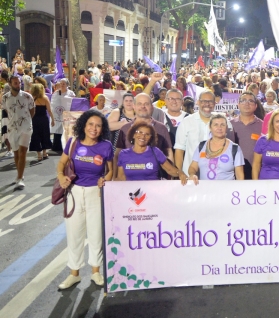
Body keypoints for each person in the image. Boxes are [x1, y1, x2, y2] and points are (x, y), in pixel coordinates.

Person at [56, 110, 113, 289]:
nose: (94, 129)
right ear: (84, 125)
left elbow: (111, 171)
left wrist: (106, 179)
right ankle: (75, 274)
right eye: (90, 124)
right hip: (74, 192)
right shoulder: (73, 142)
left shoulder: (106, 146)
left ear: (102, 128)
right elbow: (61, 164)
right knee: (75, 234)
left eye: (98, 125)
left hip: (95, 193)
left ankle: (96, 272)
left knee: (96, 234)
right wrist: (60, 177)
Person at [175, 91, 233, 176]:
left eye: (210, 101)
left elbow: (231, 149)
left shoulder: (225, 122)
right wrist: (179, 174)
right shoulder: (186, 122)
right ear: (198, 102)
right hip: (191, 177)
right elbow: (179, 150)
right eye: (203, 101)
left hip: (218, 177)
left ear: (215, 103)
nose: (207, 104)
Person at [114, 93, 173, 170]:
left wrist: (171, 177)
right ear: (134, 106)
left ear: (152, 107)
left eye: (146, 104)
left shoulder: (162, 128)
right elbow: (118, 155)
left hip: (155, 179)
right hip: (129, 178)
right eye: (139, 104)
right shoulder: (125, 128)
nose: (143, 106)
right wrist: (115, 177)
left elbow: (169, 152)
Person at [114, 120, 187, 182]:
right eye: (140, 132)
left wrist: (179, 173)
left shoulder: (155, 151)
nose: (143, 136)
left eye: (147, 134)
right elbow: (121, 177)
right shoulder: (123, 154)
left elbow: (170, 170)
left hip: (153, 194)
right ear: (133, 135)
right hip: (131, 195)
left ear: (150, 138)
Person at [188, 114, 244, 181]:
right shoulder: (202, 146)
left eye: (222, 125)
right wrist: (192, 175)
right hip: (204, 190)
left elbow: (240, 176)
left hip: (226, 190)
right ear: (210, 127)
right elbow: (193, 167)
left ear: (226, 127)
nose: (219, 128)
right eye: (216, 125)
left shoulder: (235, 148)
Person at [2, 76, 35, 189]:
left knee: (22, 152)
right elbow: (8, 110)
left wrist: (25, 121)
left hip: (25, 128)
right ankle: (19, 174)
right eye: (15, 83)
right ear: (10, 84)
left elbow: (32, 111)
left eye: (19, 83)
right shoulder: (5, 98)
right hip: (12, 128)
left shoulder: (27, 96)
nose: (18, 85)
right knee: (16, 153)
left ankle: (20, 178)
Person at [231, 91, 263, 179]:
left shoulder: (263, 126)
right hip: (234, 173)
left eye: (250, 101)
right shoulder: (229, 125)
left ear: (255, 106)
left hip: (256, 173)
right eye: (243, 100)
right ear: (238, 104)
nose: (247, 103)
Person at [29, 83, 54, 161]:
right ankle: (44, 152)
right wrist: (53, 119)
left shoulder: (31, 98)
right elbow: (49, 110)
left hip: (34, 119)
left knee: (36, 135)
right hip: (44, 119)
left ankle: (39, 154)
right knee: (45, 135)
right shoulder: (45, 98)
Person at [50, 78, 76, 153]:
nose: (62, 85)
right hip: (58, 114)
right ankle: (56, 146)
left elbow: (73, 103)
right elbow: (53, 103)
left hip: (67, 114)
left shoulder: (70, 93)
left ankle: (65, 146)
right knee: (57, 130)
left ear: (67, 85)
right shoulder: (56, 93)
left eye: (63, 84)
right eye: (61, 83)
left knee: (65, 130)